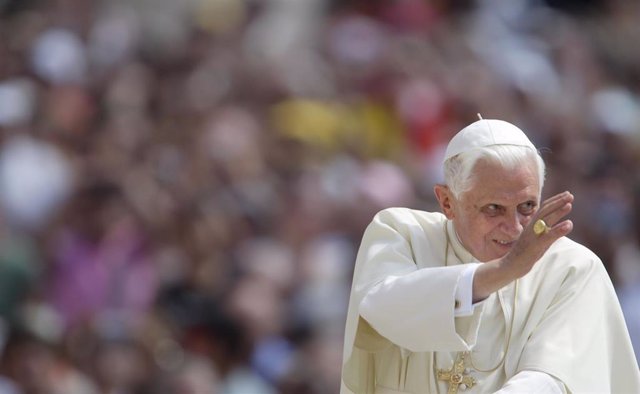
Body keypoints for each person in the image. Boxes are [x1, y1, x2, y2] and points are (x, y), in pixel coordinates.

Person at [340, 118, 640, 393]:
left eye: (527, 207)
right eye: (494, 208)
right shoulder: (401, 233)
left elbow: (556, 378)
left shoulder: (573, 268)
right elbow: (382, 309)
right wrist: (505, 270)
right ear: (447, 202)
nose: (514, 228)